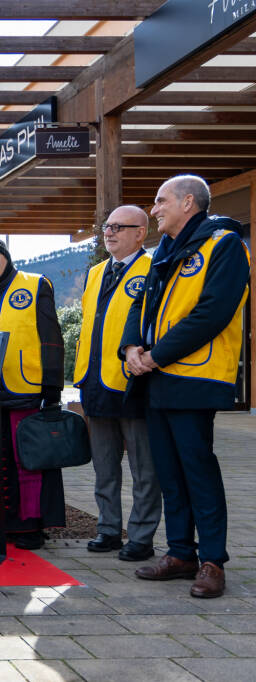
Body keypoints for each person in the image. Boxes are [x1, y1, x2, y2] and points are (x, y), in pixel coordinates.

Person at [122, 175, 250, 599]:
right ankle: (181, 553)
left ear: (188, 202)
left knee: (198, 470)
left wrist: (155, 355)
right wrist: (131, 348)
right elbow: (140, 304)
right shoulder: (164, 252)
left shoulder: (225, 245)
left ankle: (212, 560)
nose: (154, 209)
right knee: (169, 472)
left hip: (195, 377)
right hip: (156, 380)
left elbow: (212, 313)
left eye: (161, 201)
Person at [0, 237, 66, 550]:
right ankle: (2, 522)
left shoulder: (36, 285)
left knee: (29, 460)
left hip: (26, 387)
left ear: (6, 257)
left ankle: (29, 526)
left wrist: (52, 388)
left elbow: (51, 338)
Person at [74, 206, 161, 563]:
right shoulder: (95, 272)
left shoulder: (154, 268)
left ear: (140, 233)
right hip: (95, 383)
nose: (108, 233)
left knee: (144, 468)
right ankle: (108, 529)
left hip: (133, 384)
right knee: (104, 466)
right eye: (106, 227)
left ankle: (141, 536)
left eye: (118, 227)